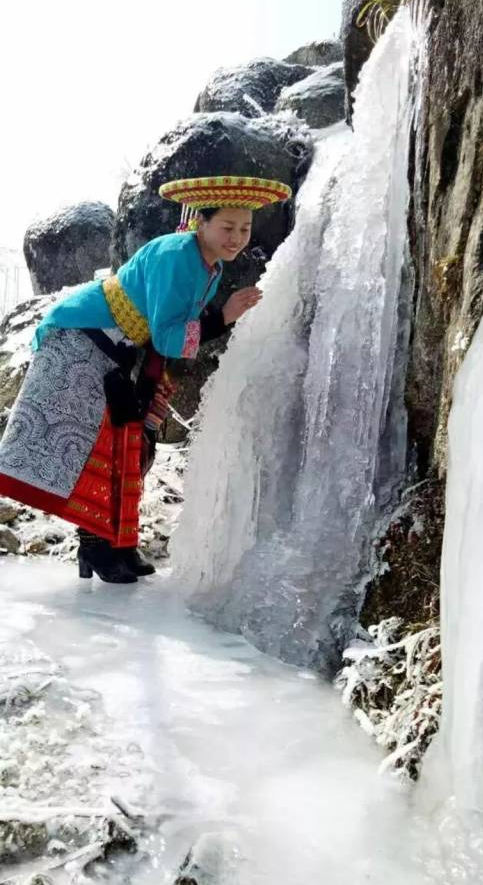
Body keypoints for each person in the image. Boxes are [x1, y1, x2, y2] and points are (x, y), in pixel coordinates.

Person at [0, 175, 292, 583]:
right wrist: (222, 317)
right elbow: (169, 334)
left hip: (115, 349)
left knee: (123, 444)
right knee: (90, 447)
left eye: (244, 229)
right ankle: (95, 547)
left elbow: (167, 332)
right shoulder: (178, 257)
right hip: (80, 338)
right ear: (201, 223)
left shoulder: (208, 265)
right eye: (227, 227)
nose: (236, 238)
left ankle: (116, 543)